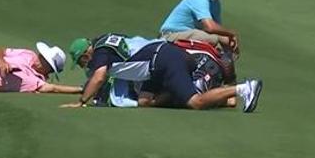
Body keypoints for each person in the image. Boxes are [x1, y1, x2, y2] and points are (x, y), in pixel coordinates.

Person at [62, 36, 262, 112]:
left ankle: (244, 88)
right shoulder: (104, 41)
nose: (84, 66)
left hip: (164, 61)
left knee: (196, 103)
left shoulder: (99, 53)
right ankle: (203, 91)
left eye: (81, 62)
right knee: (145, 101)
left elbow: (99, 78)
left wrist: (81, 102)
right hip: (160, 61)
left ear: (86, 54)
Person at [159, 0, 241, 54]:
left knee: (226, 43)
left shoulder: (215, 3)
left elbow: (217, 30)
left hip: (189, 34)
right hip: (171, 35)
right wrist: (231, 33)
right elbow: (210, 28)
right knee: (213, 39)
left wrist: (229, 41)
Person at [0, 42, 81, 94]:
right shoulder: (28, 54)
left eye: (43, 58)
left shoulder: (35, 81)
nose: (39, 57)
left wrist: (81, 89)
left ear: (48, 69)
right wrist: (1, 62)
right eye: (41, 55)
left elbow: (53, 88)